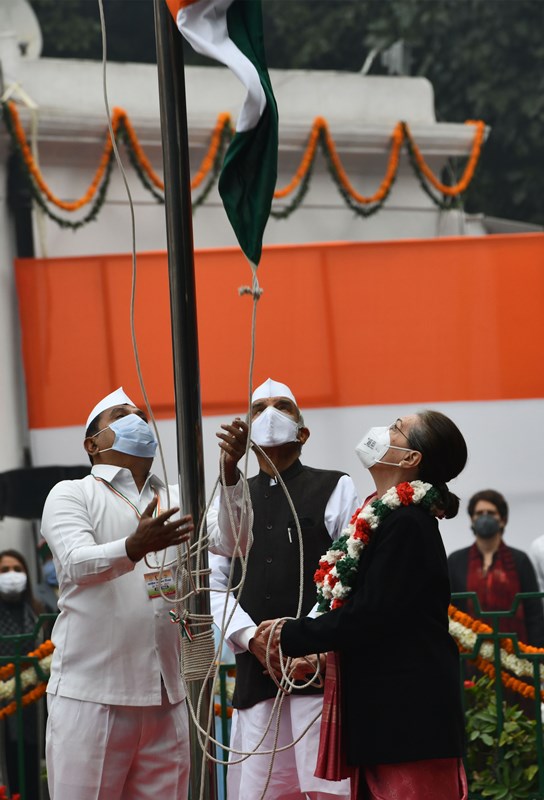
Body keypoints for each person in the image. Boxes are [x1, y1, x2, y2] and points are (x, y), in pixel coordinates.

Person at [41, 387, 250, 800]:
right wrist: (132, 548)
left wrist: (229, 473)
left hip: (166, 697)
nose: (137, 418)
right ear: (92, 444)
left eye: (139, 413)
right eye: (121, 414)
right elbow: (76, 563)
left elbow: (234, 542)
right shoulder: (72, 493)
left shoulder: (175, 496)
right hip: (93, 694)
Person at [255, 411, 469, 800]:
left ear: (410, 460)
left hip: (408, 720)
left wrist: (292, 634)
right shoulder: (385, 514)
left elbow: (373, 616)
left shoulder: (407, 523)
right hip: (387, 717)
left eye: (396, 428)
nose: (383, 431)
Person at [208, 377, 359, 800]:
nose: (270, 414)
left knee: (328, 789)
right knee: (262, 789)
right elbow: (214, 582)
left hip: (317, 668)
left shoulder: (336, 486)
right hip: (257, 674)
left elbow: (348, 572)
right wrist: (252, 638)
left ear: (303, 432)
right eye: (259, 409)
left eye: (283, 406)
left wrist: (304, 639)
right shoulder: (228, 494)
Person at [449, 489, 544, 646]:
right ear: (472, 519)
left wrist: (537, 656)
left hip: (516, 654)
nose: (484, 517)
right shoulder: (456, 561)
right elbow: (450, 612)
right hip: (469, 655)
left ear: (502, 520)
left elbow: (534, 614)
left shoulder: (520, 560)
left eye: (491, 513)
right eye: (479, 513)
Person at [0, 549, 44, 799]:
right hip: (3, 707)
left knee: (31, 769)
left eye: (17, 569)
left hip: (34, 707)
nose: (11, 575)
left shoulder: (40, 610)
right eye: (4, 570)